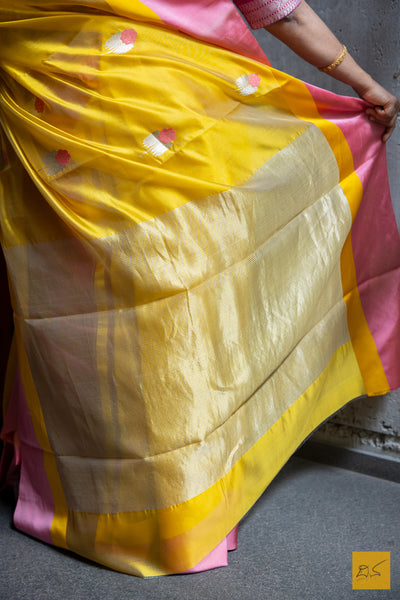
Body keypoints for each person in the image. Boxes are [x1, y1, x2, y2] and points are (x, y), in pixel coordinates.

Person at [0, 0, 398, 577]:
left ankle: (82, 495)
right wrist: (363, 85)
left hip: (52, 107)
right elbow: (279, 9)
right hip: (161, 116)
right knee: (171, 307)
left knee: (74, 305)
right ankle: (174, 512)